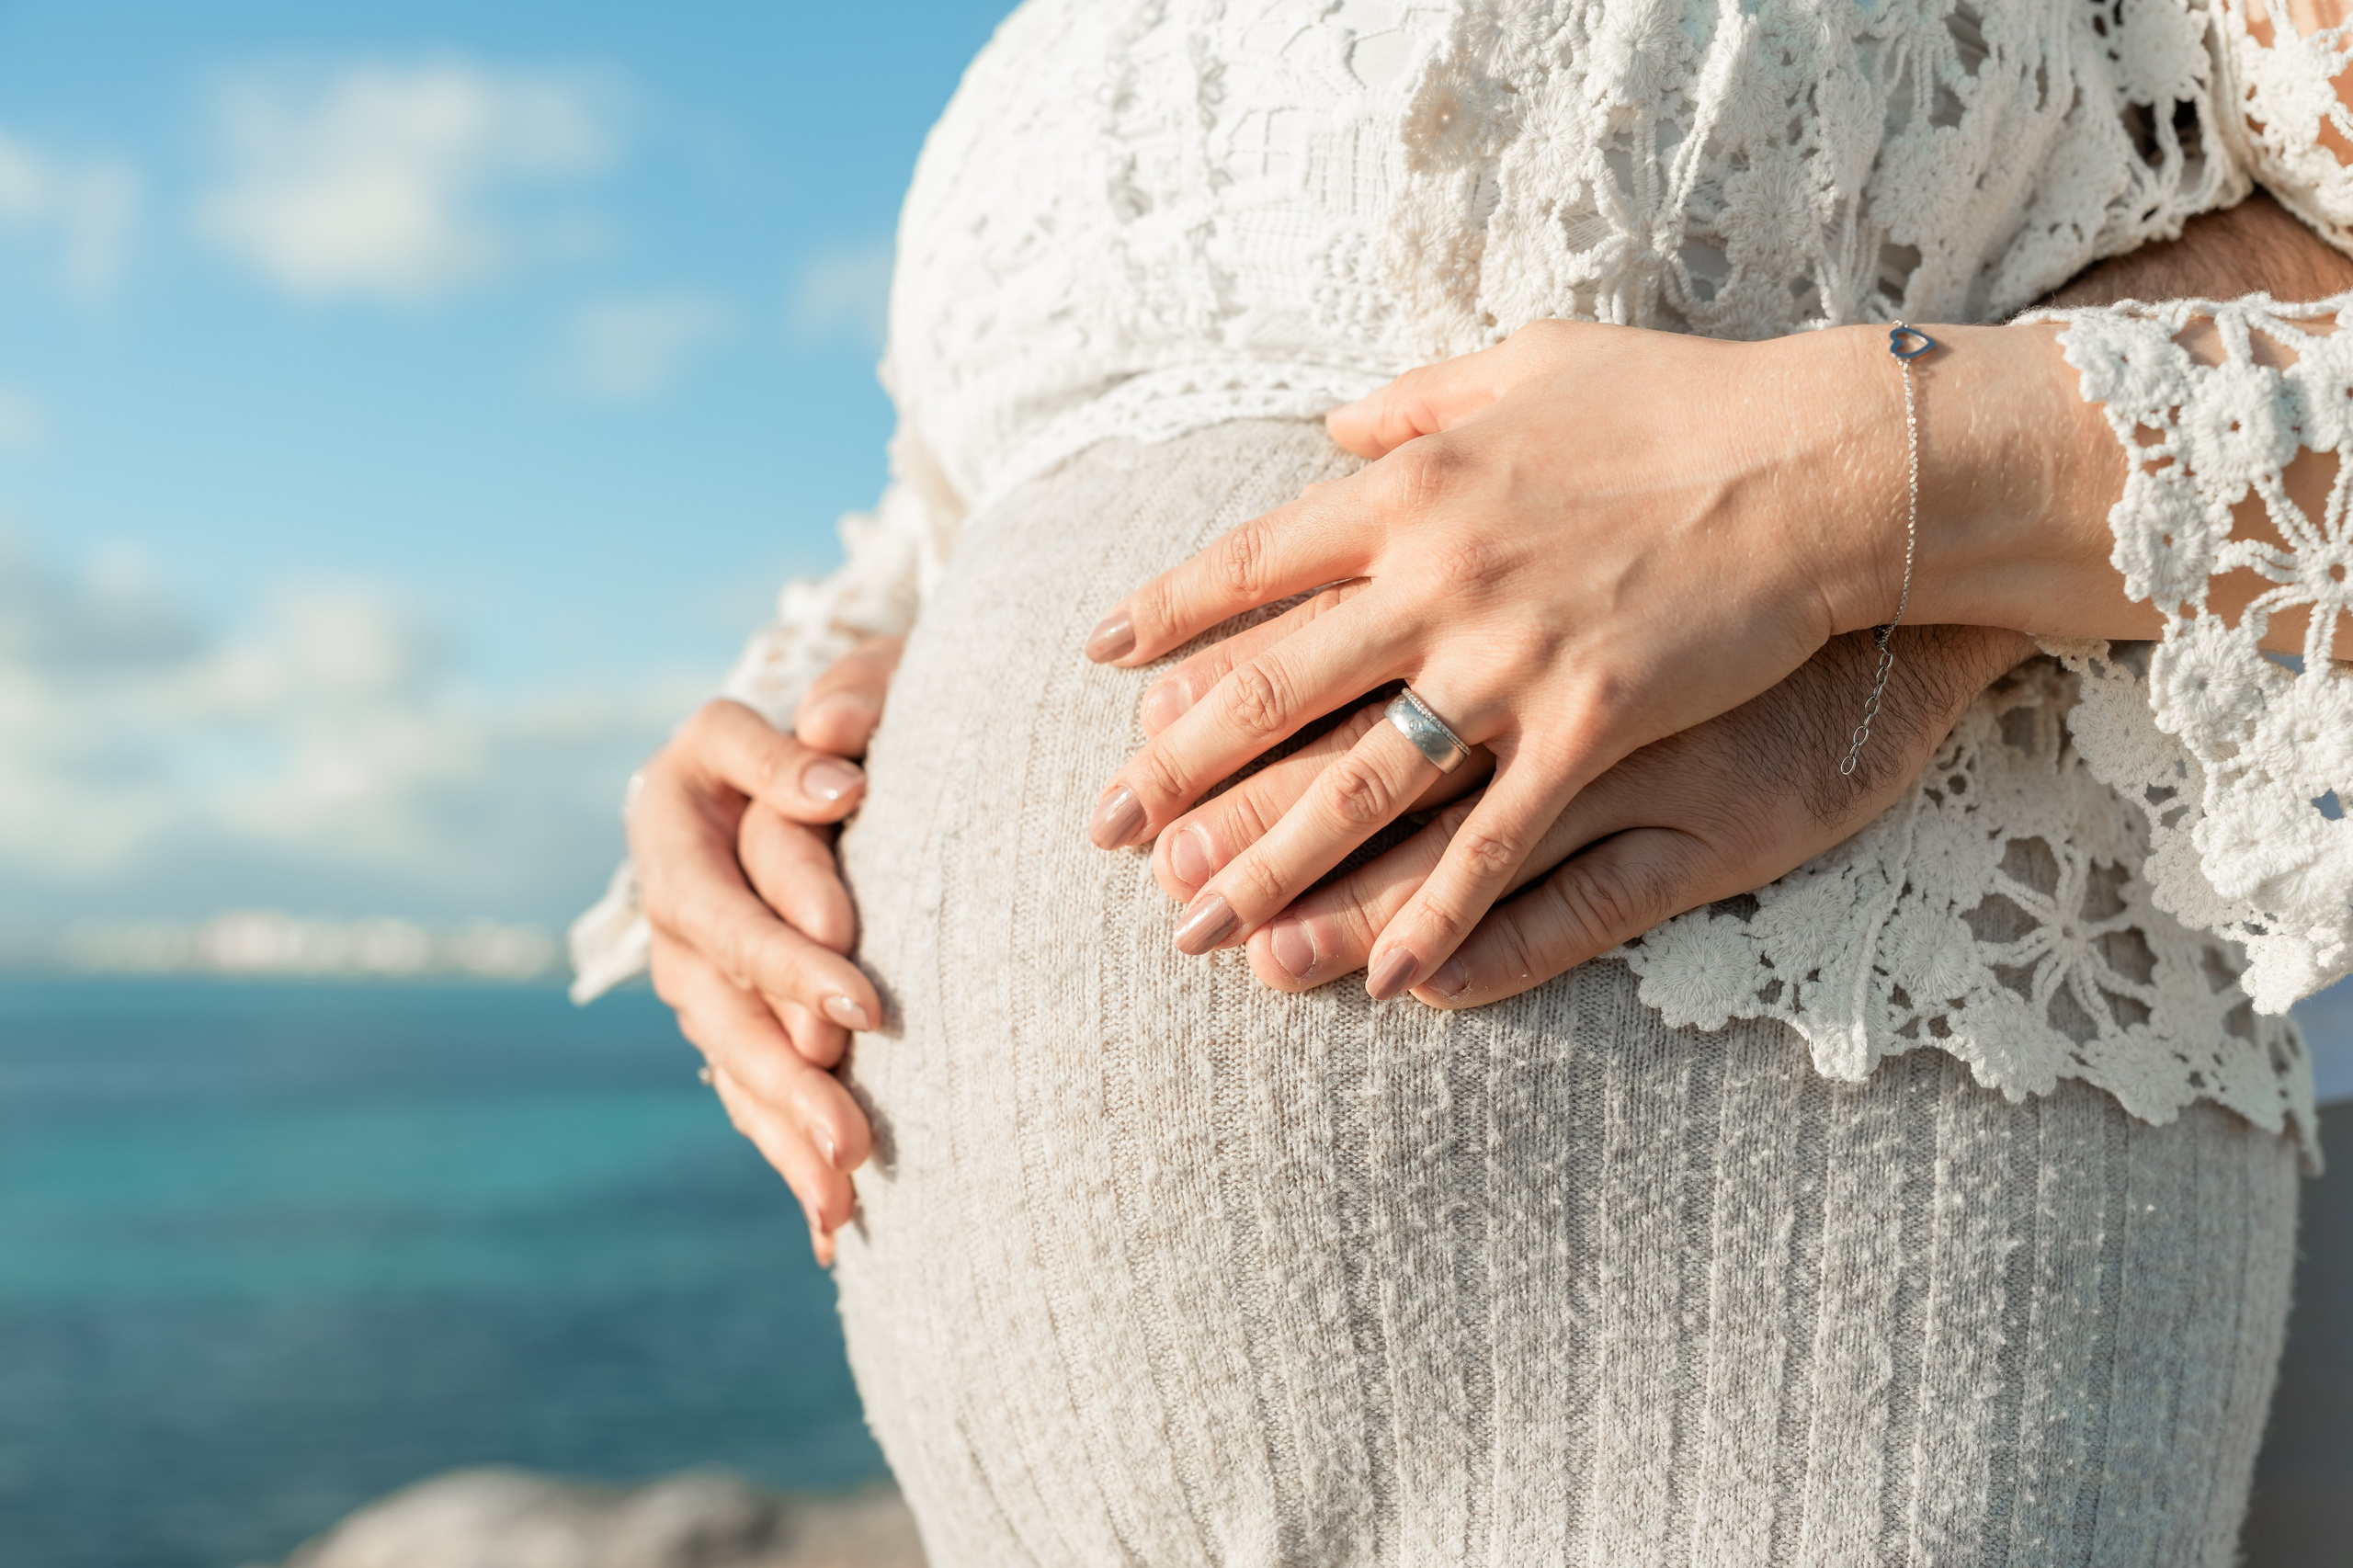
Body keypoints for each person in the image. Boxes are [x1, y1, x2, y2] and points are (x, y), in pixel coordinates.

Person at [573, 3, 2353, 1561]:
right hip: (1004, 1404)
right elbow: (958, 512)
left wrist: (1849, 498)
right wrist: (772, 750)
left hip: (1778, 1268)